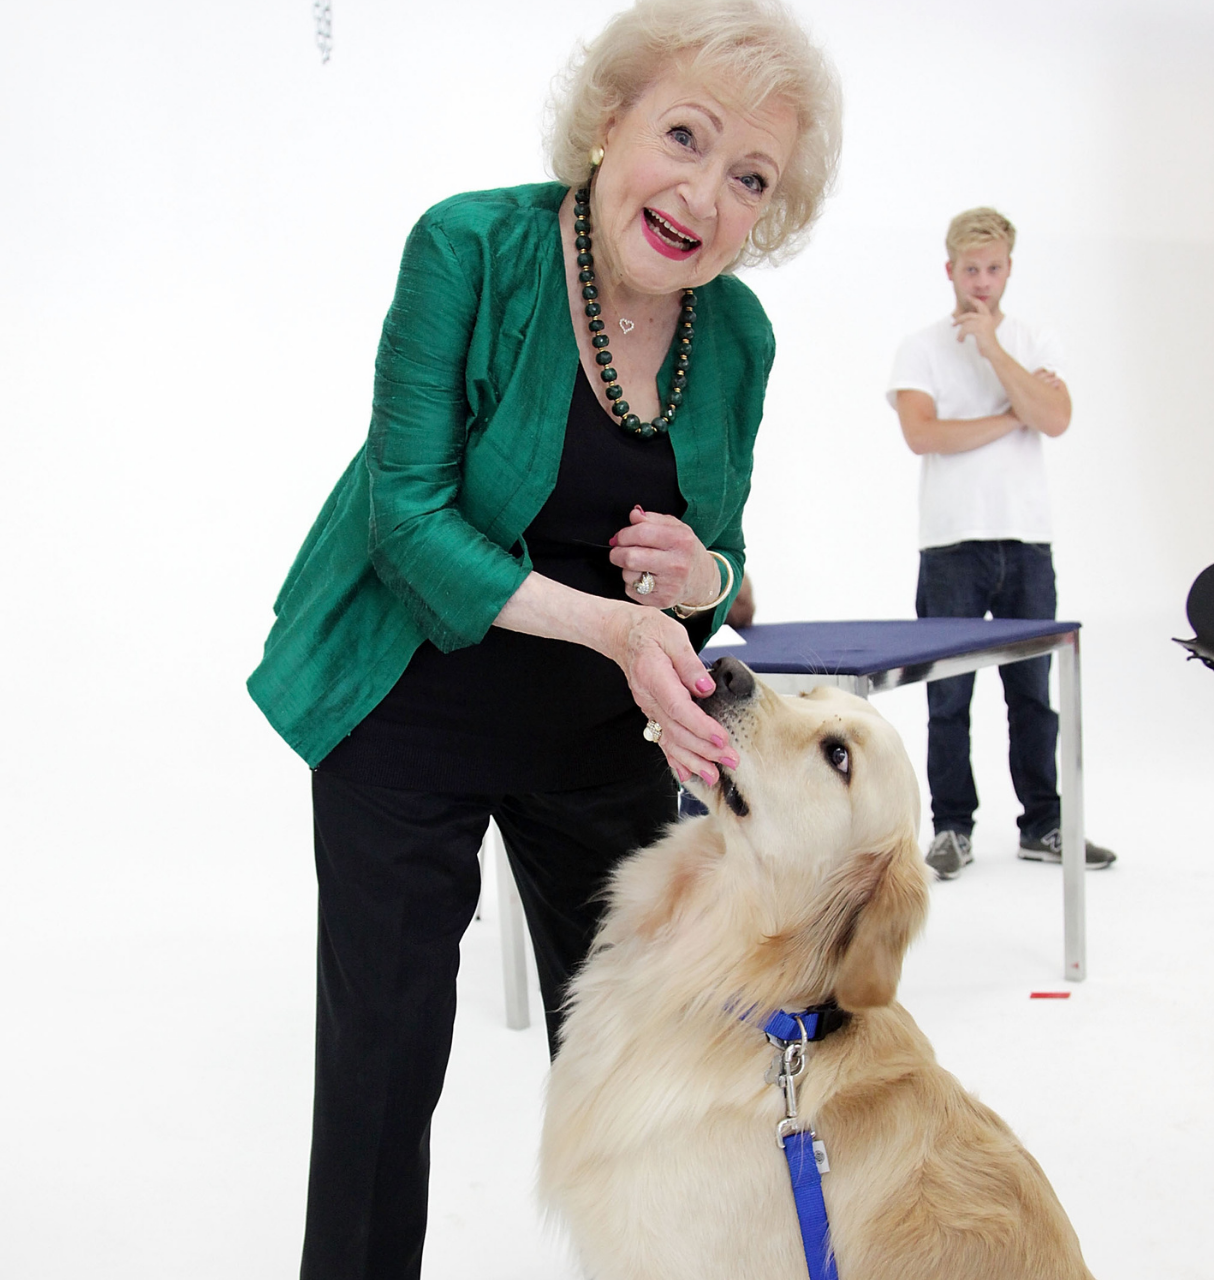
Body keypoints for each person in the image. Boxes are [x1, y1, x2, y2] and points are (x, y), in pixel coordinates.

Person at [246, 1, 841, 1274]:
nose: (704, 192)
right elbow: (406, 520)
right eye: (681, 133)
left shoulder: (735, 335)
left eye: (750, 177)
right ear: (607, 116)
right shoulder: (469, 247)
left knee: (645, 1060)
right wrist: (624, 626)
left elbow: (715, 565)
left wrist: (707, 570)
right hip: (403, 708)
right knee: (383, 1062)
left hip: (589, 733)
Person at [887, 207, 1116, 881]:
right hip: (951, 544)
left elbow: (1056, 418)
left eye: (993, 269)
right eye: (970, 270)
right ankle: (952, 830)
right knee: (948, 698)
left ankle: (1043, 825)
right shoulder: (920, 347)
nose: (981, 283)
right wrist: (1013, 415)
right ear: (949, 270)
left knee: (1032, 692)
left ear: (1008, 268)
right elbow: (924, 435)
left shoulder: (1033, 339)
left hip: (1026, 544)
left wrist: (993, 349)